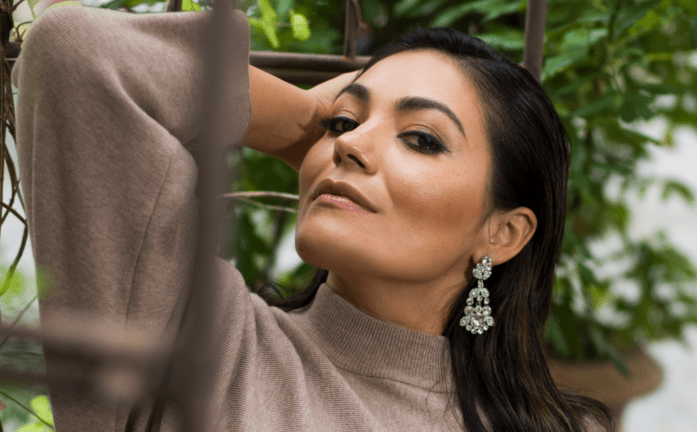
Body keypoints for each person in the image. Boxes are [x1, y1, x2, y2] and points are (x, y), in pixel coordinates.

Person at [12, 3, 612, 432]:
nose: (349, 146)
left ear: (502, 234)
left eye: (422, 139)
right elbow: (79, 54)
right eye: (345, 123)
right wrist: (301, 120)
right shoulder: (203, 342)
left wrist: (338, 127)